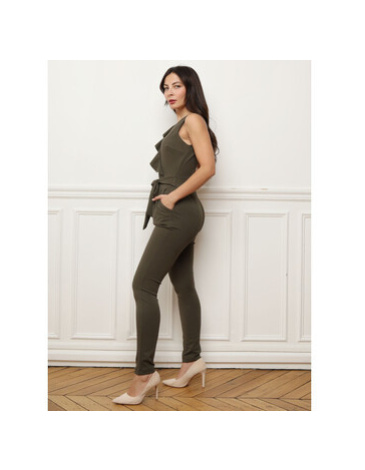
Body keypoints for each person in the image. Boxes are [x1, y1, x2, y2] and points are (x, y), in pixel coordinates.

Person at [113, 65, 218, 405]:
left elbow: (208, 168)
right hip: (177, 211)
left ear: (190, 88)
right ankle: (192, 360)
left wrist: (172, 197)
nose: (169, 92)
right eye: (165, 87)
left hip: (179, 211)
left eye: (176, 86)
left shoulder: (194, 121)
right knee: (183, 285)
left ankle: (144, 374)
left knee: (143, 286)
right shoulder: (181, 124)